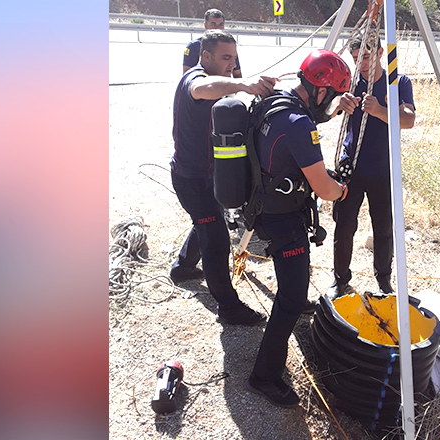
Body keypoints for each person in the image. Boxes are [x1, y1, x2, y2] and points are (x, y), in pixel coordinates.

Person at [246, 49, 352, 407]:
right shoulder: (299, 124)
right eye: (333, 96)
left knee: (293, 286)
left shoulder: (277, 103)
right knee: (291, 298)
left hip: (262, 204)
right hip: (283, 219)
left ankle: (291, 306)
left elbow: (291, 145)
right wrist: (341, 189)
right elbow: (324, 189)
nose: (332, 103)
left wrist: (334, 113)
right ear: (321, 90)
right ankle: (264, 376)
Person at [170, 29, 277, 325]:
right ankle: (228, 307)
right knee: (215, 238)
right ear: (205, 56)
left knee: (207, 221)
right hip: (192, 180)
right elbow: (203, 88)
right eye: (225, 57)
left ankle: (182, 268)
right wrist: (244, 84)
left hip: (206, 176)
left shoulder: (215, 80)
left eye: (234, 57)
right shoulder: (195, 79)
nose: (232, 64)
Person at [328, 35, 416, 298]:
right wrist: (338, 105)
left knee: (383, 227)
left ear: (379, 52)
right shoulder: (349, 82)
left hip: (383, 168)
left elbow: (408, 120)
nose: (361, 64)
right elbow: (324, 111)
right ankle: (340, 279)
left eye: (365, 57)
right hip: (351, 167)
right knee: (344, 226)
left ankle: (384, 281)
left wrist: (379, 110)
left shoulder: (397, 82)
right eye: (355, 59)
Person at [182, 9, 242, 78]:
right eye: (213, 24)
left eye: (221, 24)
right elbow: (187, 76)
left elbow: (237, 74)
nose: (217, 28)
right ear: (205, 25)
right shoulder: (194, 46)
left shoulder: (228, 47)